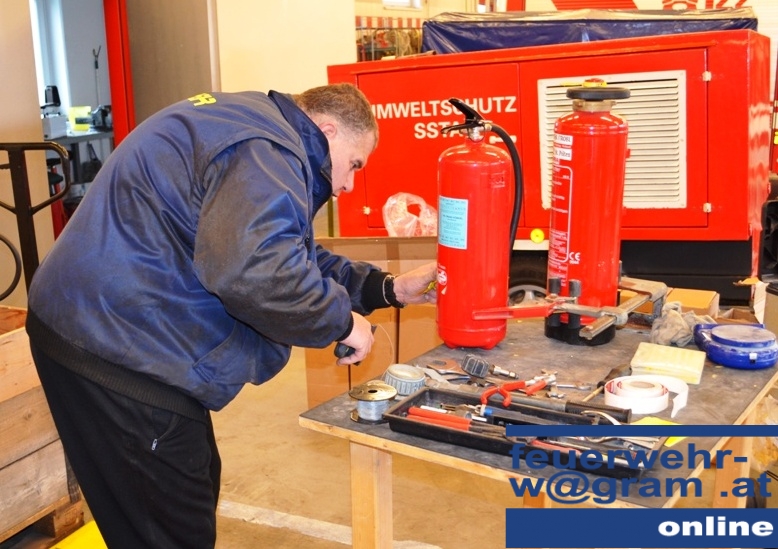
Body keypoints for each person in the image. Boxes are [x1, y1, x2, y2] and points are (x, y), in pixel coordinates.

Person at [25, 83, 437, 549]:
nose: (348, 186)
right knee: (169, 525)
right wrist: (343, 323)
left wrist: (386, 288)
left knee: (190, 486)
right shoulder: (266, 150)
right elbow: (257, 272)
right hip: (114, 345)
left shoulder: (254, 125)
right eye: (355, 165)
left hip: (110, 325)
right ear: (327, 131)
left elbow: (285, 252)